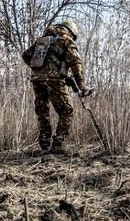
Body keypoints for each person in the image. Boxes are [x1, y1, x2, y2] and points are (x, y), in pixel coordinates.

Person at [21, 18, 91, 154]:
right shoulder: (65, 39)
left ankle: (44, 144)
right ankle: (58, 144)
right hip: (54, 80)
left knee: (43, 112)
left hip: (37, 80)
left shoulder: (42, 40)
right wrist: (82, 86)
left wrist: (39, 69)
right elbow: (76, 62)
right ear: (71, 32)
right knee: (67, 111)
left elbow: (26, 55)